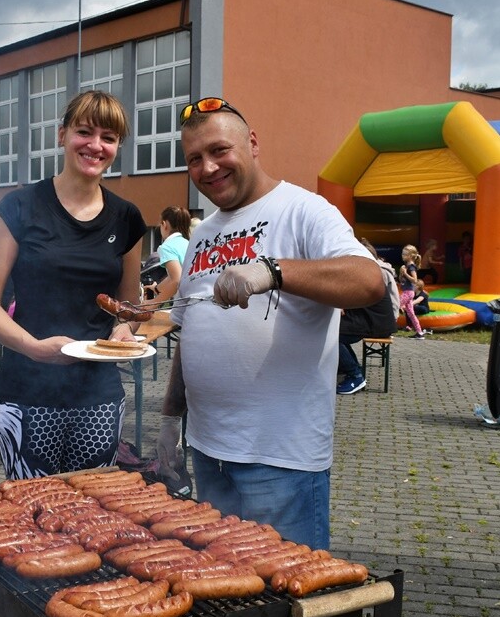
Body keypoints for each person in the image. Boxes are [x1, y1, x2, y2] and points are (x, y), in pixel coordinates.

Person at [155, 97, 384, 549]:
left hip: (280, 463)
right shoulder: (202, 233)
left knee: (287, 604)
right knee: (229, 594)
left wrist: (273, 272)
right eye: (194, 159)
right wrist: (169, 419)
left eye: (220, 150)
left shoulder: (304, 210)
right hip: (208, 453)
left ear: (253, 143)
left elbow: (368, 280)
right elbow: (193, 330)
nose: (208, 167)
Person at [0, 90, 146, 479]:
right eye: (85, 132)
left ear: (118, 146)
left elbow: (128, 305)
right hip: (28, 391)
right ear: (62, 134)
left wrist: (123, 330)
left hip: (97, 394)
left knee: (91, 513)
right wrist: (33, 348)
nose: (95, 145)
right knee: (31, 514)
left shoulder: (127, 218)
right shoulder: (20, 207)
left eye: (109, 137)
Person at [337, 240, 399, 395]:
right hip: (374, 320)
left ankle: (355, 374)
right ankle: (349, 369)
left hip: (377, 323)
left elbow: (349, 297)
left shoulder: (368, 275)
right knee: (334, 331)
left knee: (331, 335)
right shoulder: (367, 273)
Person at [143, 206, 193, 305]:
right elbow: (173, 276)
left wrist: (154, 303)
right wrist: (157, 288)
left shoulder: (167, 247)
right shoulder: (187, 242)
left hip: (185, 302)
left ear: (164, 224)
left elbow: (176, 280)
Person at [399, 244, 427, 339]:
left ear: (410, 256)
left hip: (408, 292)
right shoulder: (407, 266)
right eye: (402, 254)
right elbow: (401, 280)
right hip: (408, 292)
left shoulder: (411, 266)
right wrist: (401, 273)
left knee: (394, 306)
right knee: (411, 313)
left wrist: (406, 273)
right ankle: (419, 332)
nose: (402, 256)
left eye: (404, 254)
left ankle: (388, 330)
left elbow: (415, 280)